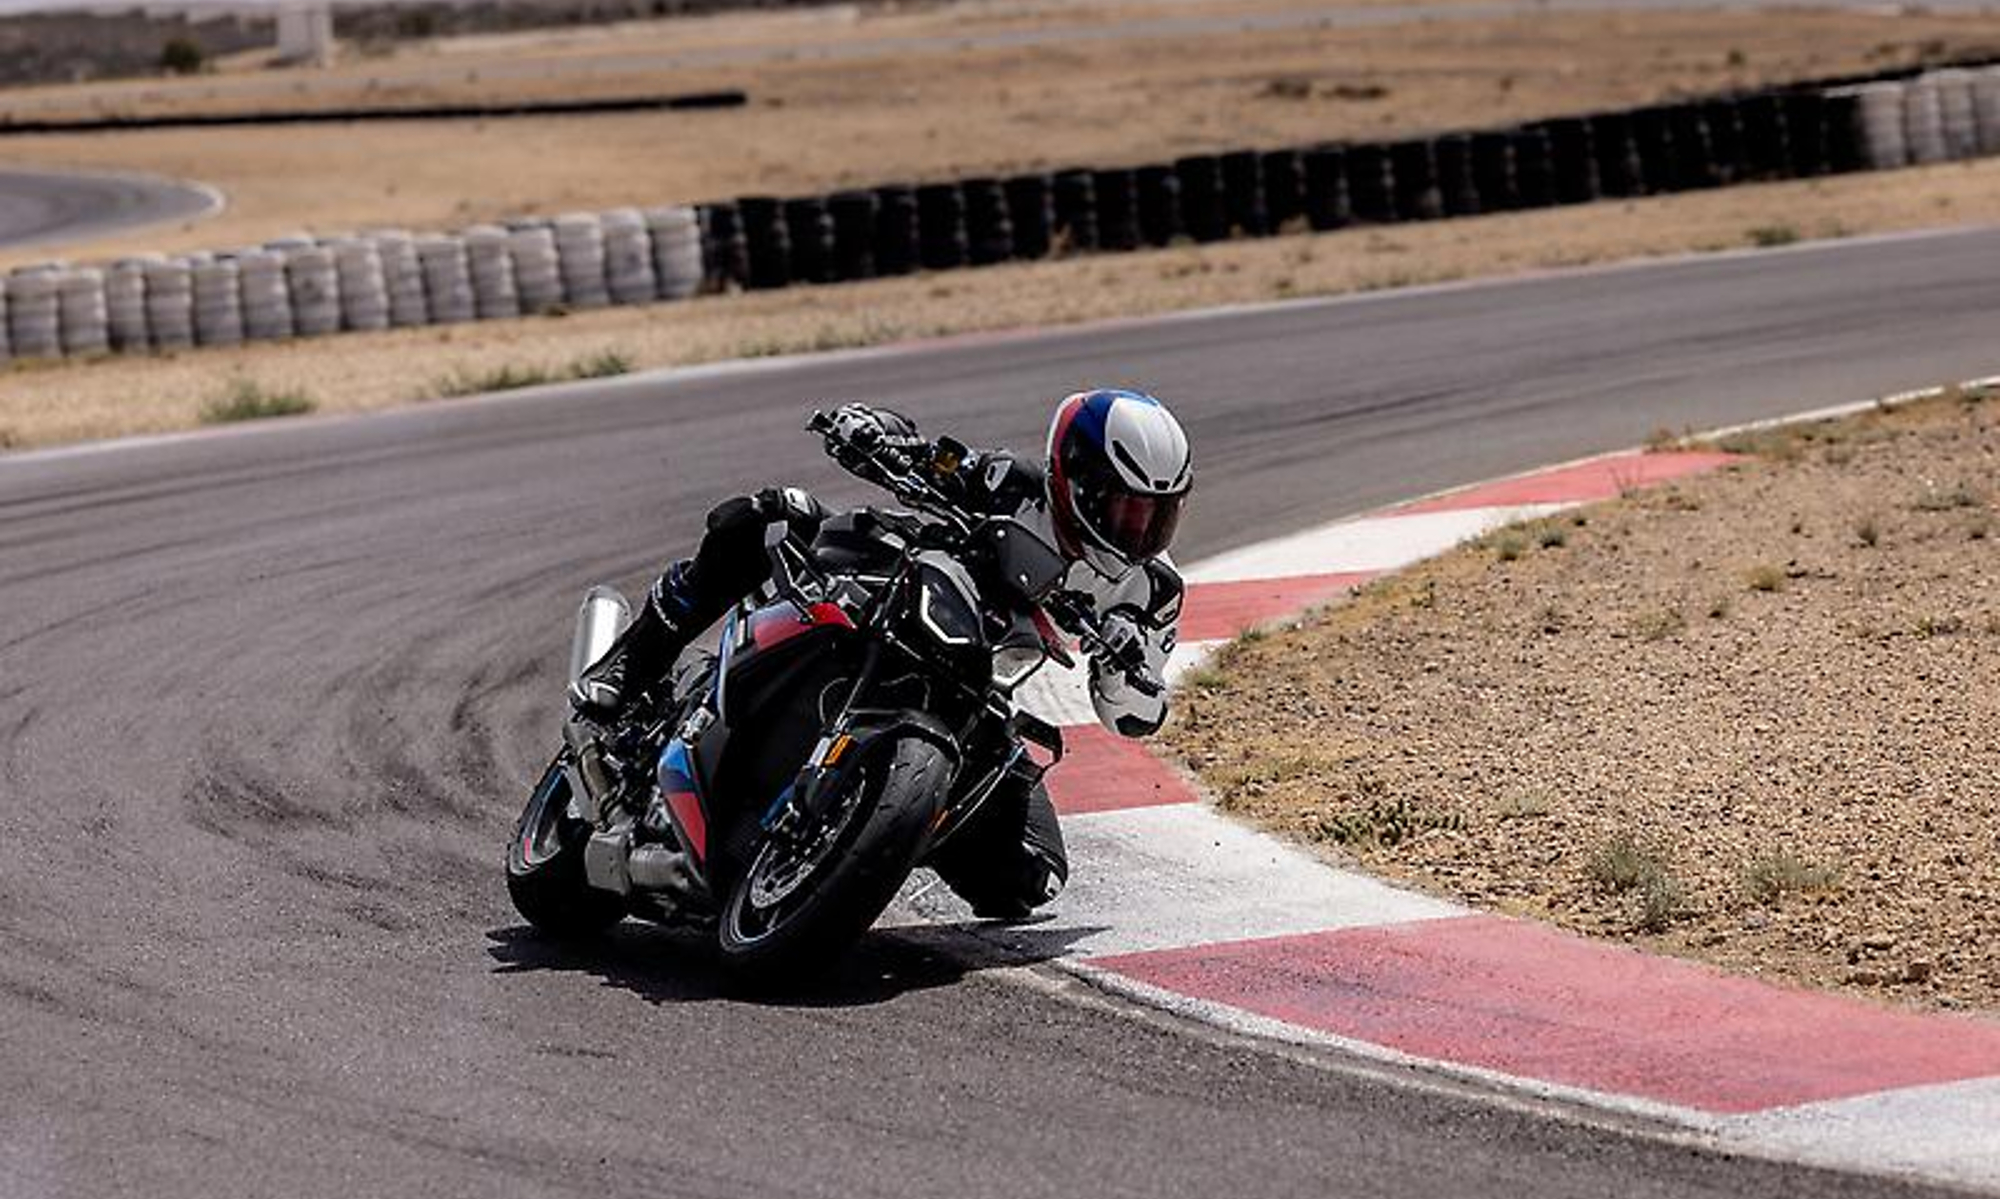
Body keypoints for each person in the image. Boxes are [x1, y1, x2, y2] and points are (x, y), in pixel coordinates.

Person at [575, 388, 1193, 918]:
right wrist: (880, 433)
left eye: (1157, 513)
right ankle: (631, 664)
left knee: (1029, 879)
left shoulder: (1153, 588)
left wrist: (1132, 660)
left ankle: (874, 834)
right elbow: (943, 461)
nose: (1139, 529)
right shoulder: (1017, 484)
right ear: (1076, 478)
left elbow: (1132, 714)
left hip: (980, 691)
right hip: (904, 602)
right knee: (768, 517)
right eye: (1126, 506)